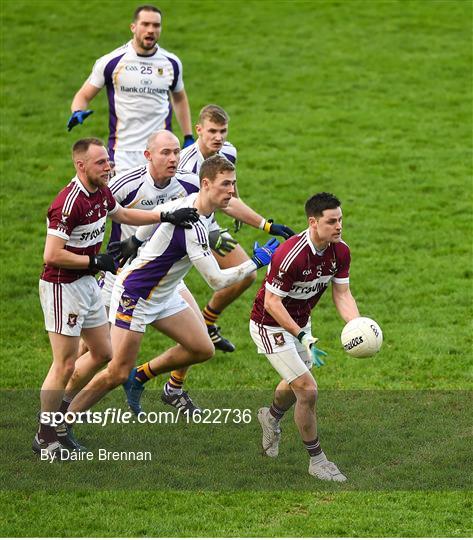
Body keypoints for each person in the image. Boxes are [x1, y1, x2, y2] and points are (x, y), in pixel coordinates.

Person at [67, 156, 279, 425]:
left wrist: (136, 239)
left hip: (165, 294)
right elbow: (216, 280)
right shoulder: (193, 226)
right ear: (205, 184)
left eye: (233, 184)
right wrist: (256, 263)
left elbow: (164, 210)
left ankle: (141, 376)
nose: (232, 191)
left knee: (202, 348)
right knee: (117, 371)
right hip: (136, 296)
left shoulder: (192, 205)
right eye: (226, 184)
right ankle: (61, 422)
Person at [35, 137, 198, 459]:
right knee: (65, 363)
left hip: (88, 284)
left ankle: (61, 419)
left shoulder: (101, 192)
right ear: (80, 166)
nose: (108, 167)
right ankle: (45, 435)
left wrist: (164, 216)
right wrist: (93, 261)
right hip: (62, 287)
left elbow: (123, 215)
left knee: (102, 352)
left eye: (108, 160)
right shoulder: (69, 204)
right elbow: (52, 255)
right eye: (100, 163)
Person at [249, 192, 361, 482]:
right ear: (313, 222)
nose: (339, 226)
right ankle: (318, 461)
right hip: (269, 325)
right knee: (307, 389)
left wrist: (356, 325)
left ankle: (270, 417)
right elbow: (273, 304)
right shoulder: (290, 255)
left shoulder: (340, 251)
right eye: (331, 221)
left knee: (296, 381)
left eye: (340, 220)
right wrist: (301, 336)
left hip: (301, 323)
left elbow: (342, 293)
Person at [179, 104, 294, 353]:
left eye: (223, 131)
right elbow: (183, 210)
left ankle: (208, 321)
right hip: (186, 232)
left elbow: (230, 195)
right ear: (198, 130)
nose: (218, 137)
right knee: (191, 330)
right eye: (212, 131)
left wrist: (265, 224)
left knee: (247, 274)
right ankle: (173, 379)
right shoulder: (186, 166)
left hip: (209, 225)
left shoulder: (227, 152)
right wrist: (211, 235)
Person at [67, 4, 194, 175]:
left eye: (156, 25)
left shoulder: (171, 63)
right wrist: (77, 111)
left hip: (160, 151)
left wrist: (188, 136)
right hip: (123, 153)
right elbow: (83, 95)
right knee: (123, 202)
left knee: (163, 201)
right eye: (145, 24)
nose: (151, 30)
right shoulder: (111, 62)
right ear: (133, 27)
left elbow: (179, 98)